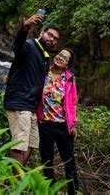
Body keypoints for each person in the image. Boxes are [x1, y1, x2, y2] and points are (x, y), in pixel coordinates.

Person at [4, 14, 60, 166]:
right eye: (50, 35)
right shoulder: (29, 45)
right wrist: (25, 27)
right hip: (19, 103)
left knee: (33, 142)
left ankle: (10, 178)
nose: (52, 39)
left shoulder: (45, 57)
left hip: (31, 106)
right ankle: (15, 182)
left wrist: (10, 75)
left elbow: (19, 66)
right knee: (19, 144)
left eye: (55, 39)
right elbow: (17, 47)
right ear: (41, 33)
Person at [37, 48, 79, 194]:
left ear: (67, 64)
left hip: (63, 125)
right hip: (45, 125)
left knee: (69, 160)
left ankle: (73, 191)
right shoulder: (43, 72)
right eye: (60, 55)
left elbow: (72, 103)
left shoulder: (69, 78)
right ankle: (52, 190)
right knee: (47, 161)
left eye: (65, 58)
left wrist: (73, 123)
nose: (60, 58)